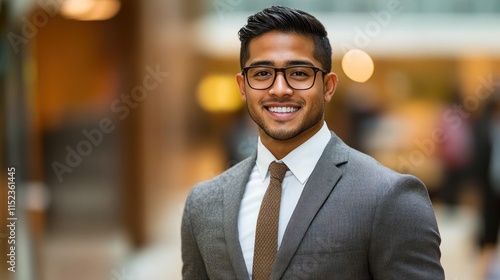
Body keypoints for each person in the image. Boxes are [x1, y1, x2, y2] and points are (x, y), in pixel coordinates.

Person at [181, 6, 444, 279]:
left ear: (328, 86)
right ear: (242, 86)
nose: (280, 89)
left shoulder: (390, 198)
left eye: (298, 73)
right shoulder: (203, 204)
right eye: (261, 74)